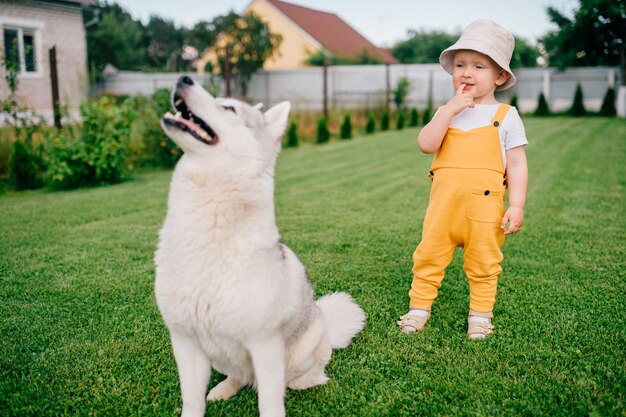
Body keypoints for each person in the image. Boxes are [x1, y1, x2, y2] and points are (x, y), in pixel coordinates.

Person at [397, 19, 528, 339]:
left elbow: (517, 163)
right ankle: (418, 309)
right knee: (427, 257)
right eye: (460, 65)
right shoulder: (447, 111)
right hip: (443, 211)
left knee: (484, 264)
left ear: (499, 76)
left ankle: (480, 316)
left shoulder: (506, 116)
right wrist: (449, 111)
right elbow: (426, 144)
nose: (467, 72)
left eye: (479, 66)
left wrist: (518, 205)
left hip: (484, 212)